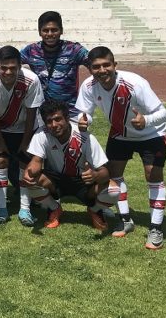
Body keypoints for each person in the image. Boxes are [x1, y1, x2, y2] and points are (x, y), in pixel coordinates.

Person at [75, 46, 166, 250]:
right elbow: (85, 112)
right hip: (120, 133)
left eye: (106, 65)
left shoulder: (135, 83)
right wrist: (85, 120)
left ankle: (156, 228)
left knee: (153, 176)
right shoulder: (89, 85)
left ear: (114, 65)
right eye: (96, 67)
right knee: (114, 175)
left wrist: (146, 120)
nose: (102, 70)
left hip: (151, 133)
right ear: (90, 69)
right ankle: (125, 219)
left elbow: (163, 113)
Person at [23, 99, 119, 232]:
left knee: (114, 191)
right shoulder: (42, 133)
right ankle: (54, 208)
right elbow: (36, 160)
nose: (54, 125)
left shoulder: (85, 137)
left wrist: (95, 175)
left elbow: (105, 172)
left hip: (82, 181)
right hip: (56, 180)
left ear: (67, 118)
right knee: (30, 180)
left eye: (58, 119)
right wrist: (29, 172)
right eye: (49, 121)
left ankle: (94, 210)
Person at [0, 46, 44, 225]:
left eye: (13, 68)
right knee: (1, 161)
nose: (8, 72)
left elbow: (32, 114)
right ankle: (2, 209)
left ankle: (25, 209)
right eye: (4, 67)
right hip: (1, 127)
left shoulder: (31, 80)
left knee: (25, 162)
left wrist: (25, 144)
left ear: (20, 66)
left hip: (26, 128)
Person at [20, 11, 89, 119]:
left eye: (54, 30)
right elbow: (11, 62)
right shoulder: (31, 50)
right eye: (45, 30)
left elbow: (95, 62)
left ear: (61, 30)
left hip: (70, 112)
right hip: (43, 113)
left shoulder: (73, 49)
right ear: (39, 32)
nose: (50, 34)